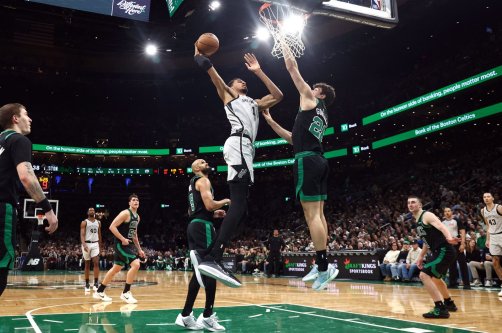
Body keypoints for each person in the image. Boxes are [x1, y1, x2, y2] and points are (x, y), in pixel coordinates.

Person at [193, 45, 283, 287]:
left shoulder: (255, 102)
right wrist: (199, 56)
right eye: (239, 80)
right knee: (239, 202)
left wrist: (259, 72)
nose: (243, 81)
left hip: (247, 149)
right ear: (233, 87)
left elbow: (278, 96)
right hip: (238, 143)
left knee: (241, 206)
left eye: (245, 80)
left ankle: (210, 255)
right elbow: (213, 74)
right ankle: (213, 257)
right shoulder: (229, 96)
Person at [260, 40, 338, 290]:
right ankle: (324, 263)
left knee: (311, 214)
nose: (310, 88)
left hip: (307, 161)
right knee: (319, 214)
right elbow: (294, 139)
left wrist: (282, 39)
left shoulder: (310, 100)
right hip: (318, 160)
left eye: (314, 88)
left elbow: (292, 67)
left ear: (320, 94)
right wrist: (271, 122)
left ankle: (324, 266)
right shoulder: (322, 114)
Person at [0, 103, 58, 297]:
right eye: (26, 114)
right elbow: (26, 176)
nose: (30, 119)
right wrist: (48, 209)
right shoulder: (19, 140)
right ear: (15, 118)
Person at [175, 159, 229, 331]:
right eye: (202, 162)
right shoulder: (204, 180)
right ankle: (207, 316)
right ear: (197, 168)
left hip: (194, 225)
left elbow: (194, 210)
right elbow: (209, 204)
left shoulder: (192, 185)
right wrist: (226, 201)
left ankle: (185, 315)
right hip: (203, 227)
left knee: (199, 272)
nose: (206, 163)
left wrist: (213, 214)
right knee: (210, 268)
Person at [408, 196, 459, 318]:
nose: (410, 204)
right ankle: (449, 303)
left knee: (424, 275)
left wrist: (449, 238)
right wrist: (421, 256)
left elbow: (441, 226)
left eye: (413, 202)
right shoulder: (417, 221)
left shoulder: (427, 215)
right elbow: (426, 241)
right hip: (438, 251)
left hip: (444, 250)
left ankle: (440, 308)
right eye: (409, 203)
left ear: (420, 205)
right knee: (436, 278)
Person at [93, 194, 145, 304]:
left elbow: (134, 235)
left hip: (128, 245)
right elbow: (112, 226)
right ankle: (126, 293)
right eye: (133, 200)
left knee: (116, 269)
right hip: (120, 244)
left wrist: (139, 249)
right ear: (129, 203)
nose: (136, 201)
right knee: (136, 264)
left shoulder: (137, 217)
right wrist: (122, 239)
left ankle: (100, 291)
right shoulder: (125, 213)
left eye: (137, 200)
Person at [442, 207, 470, 289]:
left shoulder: (456, 220)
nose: (447, 212)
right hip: (448, 245)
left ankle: (466, 284)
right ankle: (453, 283)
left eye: (448, 211)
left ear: (451, 212)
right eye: (445, 211)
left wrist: (462, 243)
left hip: (457, 243)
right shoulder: (442, 222)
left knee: (462, 264)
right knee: (451, 264)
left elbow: (462, 231)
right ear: (444, 213)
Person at [480, 192, 502, 296]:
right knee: (495, 262)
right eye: (484, 197)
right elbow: (488, 226)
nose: (486, 198)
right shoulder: (483, 211)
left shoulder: (499, 208)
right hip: (493, 237)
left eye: (488, 196)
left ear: (493, 198)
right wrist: (487, 239)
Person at [81, 207, 102, 292]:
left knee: (96, 262)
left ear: (95, 212)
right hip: (87, 243)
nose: (91, 211)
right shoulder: (84, 222)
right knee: (87, 264)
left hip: (95, 243)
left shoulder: (98, 222)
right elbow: (82, 234)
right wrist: (84, 244)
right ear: (87, 212)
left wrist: (100, 245)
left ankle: (96, 283)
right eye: (90, 210)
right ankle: (87, 283)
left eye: (93, 210)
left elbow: (99, 234)